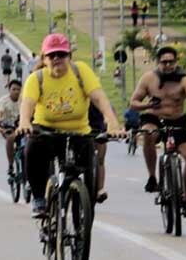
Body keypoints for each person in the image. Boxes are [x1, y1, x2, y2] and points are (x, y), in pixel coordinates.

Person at [16, 34, 124, 217]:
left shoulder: (81, 71)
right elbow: (27, 103)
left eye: (61, 54)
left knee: (88, 169)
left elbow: (99, 97)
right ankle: (39, 198)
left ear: (69, 56)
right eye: (52, 55)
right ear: (44, 59)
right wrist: (25, 122)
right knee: (32, 147)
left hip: (78, 132)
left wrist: (113, 123)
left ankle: (84, 214)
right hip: (47, 130)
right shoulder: (36, 78)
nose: (57, 59)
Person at [130, 45, 186, 218]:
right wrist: (148, 105)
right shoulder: (148, 78)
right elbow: (134, 103)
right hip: (154, 118)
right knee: (148, 133)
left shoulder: (185, 80)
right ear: (158, 62)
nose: (167, 65)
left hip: (177, 119)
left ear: (176, 62)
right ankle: (152, 177)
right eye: (164, 62)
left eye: (171, 62)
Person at [0, 79, 22, 174]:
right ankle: (11, 164)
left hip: (21, 127)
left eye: (18, 89)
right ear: (9, 90)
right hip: (7, 127)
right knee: (10, 139)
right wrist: (0, 124)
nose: (16, 92)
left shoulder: (23, 99)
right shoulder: (3, 101)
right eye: (13, 89)